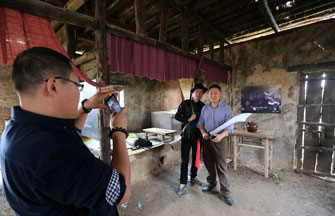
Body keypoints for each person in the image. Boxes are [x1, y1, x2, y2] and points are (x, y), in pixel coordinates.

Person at [0, 47, 131, 215]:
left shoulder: (17, 128)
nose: (78, 91)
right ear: (53, 86)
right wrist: (119, 132)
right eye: (77, 85)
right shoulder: (54, 150)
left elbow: (70, 131)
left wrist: (86, 106)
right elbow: (121, 193)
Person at [197, 84, 235, 206]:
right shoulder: (205, 109)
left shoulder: (226, 109)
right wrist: (203, 133)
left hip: (220, 140)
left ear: (220, 95)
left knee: (221, 165)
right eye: (211, 93)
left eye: (215, 93)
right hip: (207, 138)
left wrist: (221, 136)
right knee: (208, 163)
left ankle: (226, 193)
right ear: (208, 95)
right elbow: (200, 123)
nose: (213, 95)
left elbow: (230, 127)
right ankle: (212, 184)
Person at [174, 83, 207, 195]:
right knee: (185, 160)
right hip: (186, 136)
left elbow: (205, 120)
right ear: (193, 92)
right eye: (197, 91)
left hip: (198, 137)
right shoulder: (185, 104)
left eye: (201, 92)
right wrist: (188, 118)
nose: (199, 93)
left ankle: (193, 176)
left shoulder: (203, 106)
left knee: (196, 158)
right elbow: (177, 116)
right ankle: (183, 182)